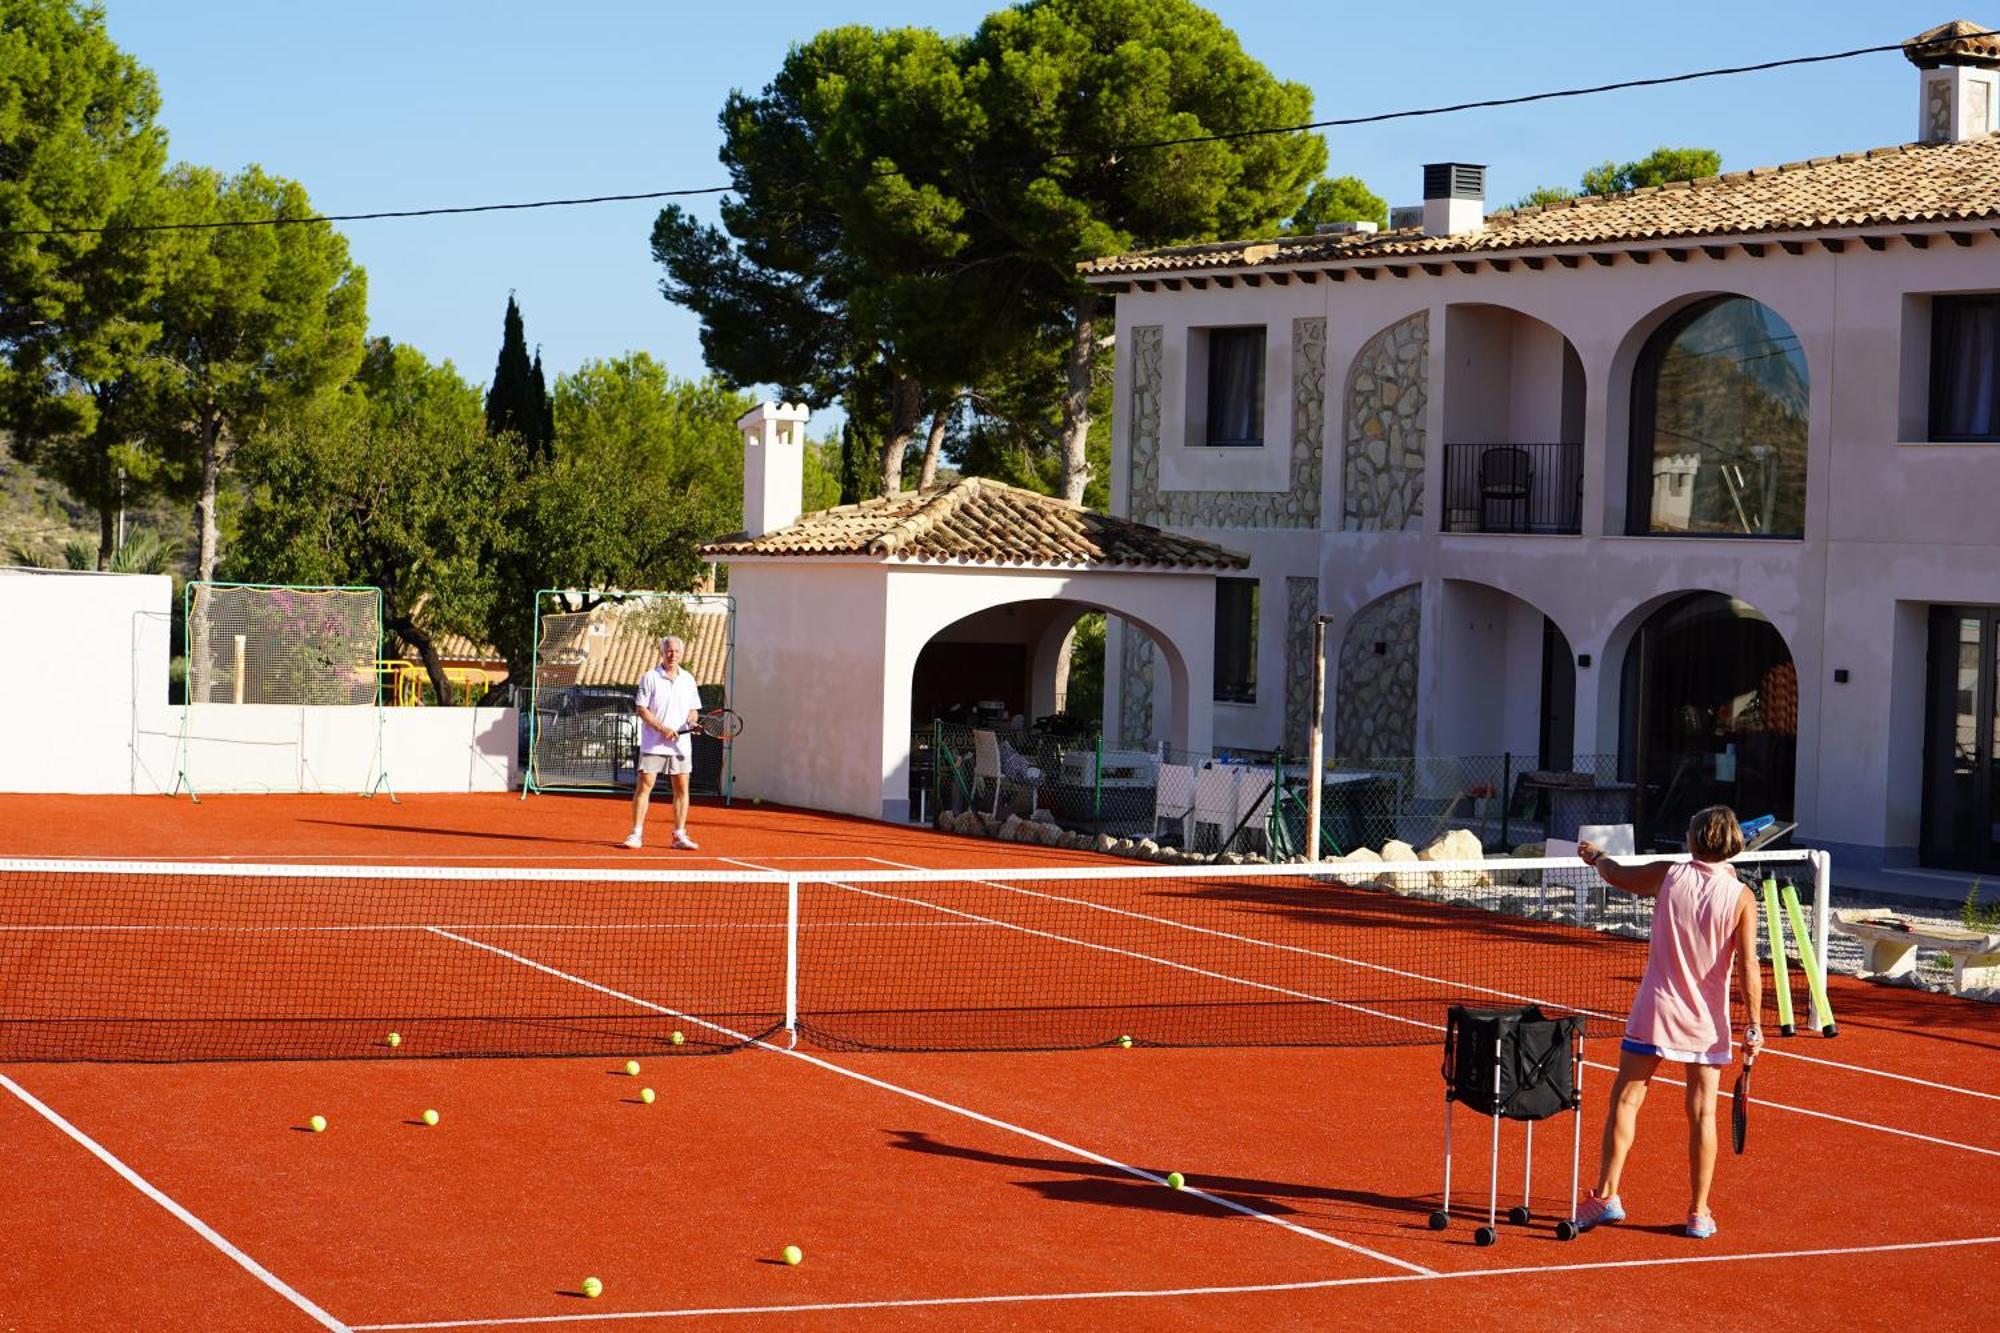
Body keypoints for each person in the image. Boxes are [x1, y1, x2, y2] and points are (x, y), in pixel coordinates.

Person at [1573, 806, 1764, 1240]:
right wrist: (1754, 1024)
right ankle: (1698, 1213)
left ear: (1695, 839)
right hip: (1705, 1024)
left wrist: (1595, 857)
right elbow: (1750, 965)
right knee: (1703, 1116)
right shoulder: (1741, 897)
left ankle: (1605, 1196)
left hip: (1655, 1013)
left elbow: (1618, 874)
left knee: (1625, 1101)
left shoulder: (1668, 874)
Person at [623, 635, 703, 851]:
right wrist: (662, 729)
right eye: (669, 651)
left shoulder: (688, 679)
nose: (673, 655)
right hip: (654, 744)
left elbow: (693, 709)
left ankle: (679, 835)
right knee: (644, 786)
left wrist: (692, 721)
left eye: (676, 651)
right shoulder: (650, 677)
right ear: (662, 652)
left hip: (681, 745)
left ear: (681, 654)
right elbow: (641, 709)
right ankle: (636, 834)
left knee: (682, 789)